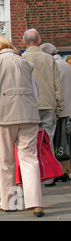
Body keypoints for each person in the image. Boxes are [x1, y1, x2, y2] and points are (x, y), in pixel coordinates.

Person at [0, 35, 44, 217]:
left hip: (4, 115)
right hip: (28, 114)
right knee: (30, 159)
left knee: (6, 160)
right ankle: (36, 202)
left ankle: (11, 203)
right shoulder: (25, 63)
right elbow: (35, 91)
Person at [22, 28, 64, 187]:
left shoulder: (22, 59)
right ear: (39, 41)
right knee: (48, 140)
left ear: (24, 42)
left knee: (30, 143)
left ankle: (33, 175)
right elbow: (56, 84)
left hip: (29, 106)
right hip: (48, 104)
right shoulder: (49, 59)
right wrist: (59, 105)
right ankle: (49, 175)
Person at [40, 43, 71, 181]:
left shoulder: (55, 66)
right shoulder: (64, 64)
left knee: (55, 143)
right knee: (62, 144)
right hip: (66, 109)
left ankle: (57, 172)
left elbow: (55, 88)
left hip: (59, 110)